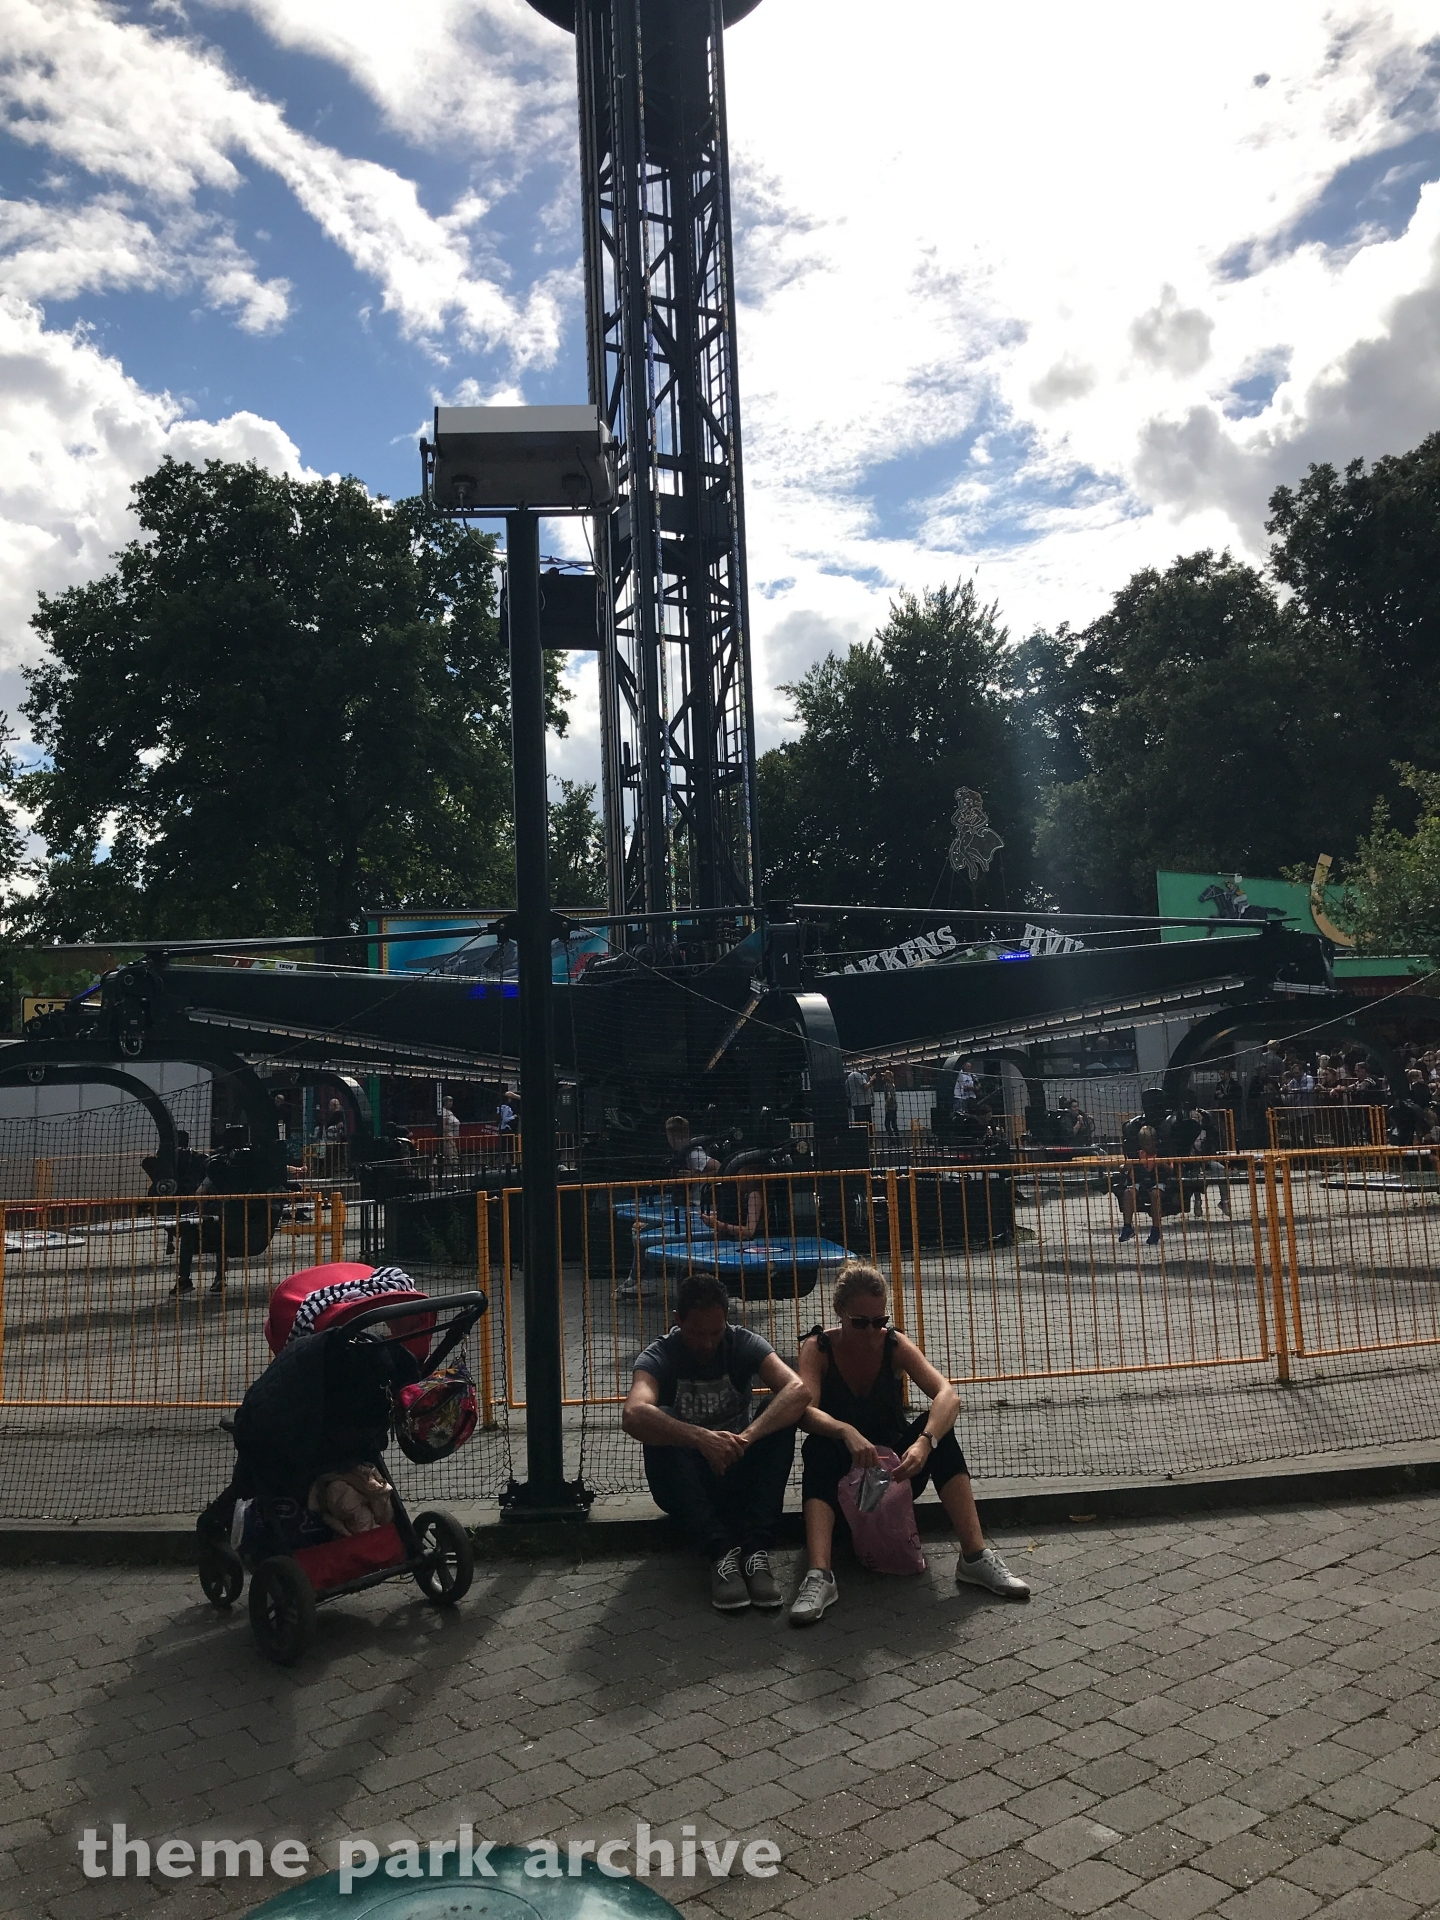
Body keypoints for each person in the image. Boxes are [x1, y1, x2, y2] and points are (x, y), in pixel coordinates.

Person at [789, 1262, 1029, 1624]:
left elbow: (948, 1395)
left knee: (942, 1432)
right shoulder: (818, 1347)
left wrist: (925, 1442)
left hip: (893, 1475)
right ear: (839, 1311)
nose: (872, 1331)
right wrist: (845, 1431)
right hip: (842, 1477)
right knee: (817, 1447)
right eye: (860, 1322)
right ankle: (820, 1574)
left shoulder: (893, 1343)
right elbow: (804, 1411)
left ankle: (975, 1556)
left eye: (879, 1321)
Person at [622, 1274, 810, 1610]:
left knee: (778, 1412)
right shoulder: (659, 1355)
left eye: (716, 1332)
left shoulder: (743, 1342)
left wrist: (746, 1438)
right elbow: (633, 1413)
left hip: (736, 1467)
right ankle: (720, 1553)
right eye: (697, 1333)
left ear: (727, 1321)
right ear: (678, 1321)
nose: (708, 1343)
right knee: (660, 1418)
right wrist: (700, 1439)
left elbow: (798, 1390)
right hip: (685, 1483)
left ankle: (756, 1551)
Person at [1116, 1125, 1181, 1246]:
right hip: (1140, 1182)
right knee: (1128, 1192)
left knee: (1155, 1194)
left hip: (1158, 1182)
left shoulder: (1163, 1152)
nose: (1146, 1147)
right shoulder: (1136, 1154)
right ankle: (1127, 1227)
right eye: (1143, 1144)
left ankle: (1156, 1229)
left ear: (1155, 1141)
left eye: (1149, 1144)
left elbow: (1172, 1170)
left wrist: (1162, 1164)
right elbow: (1123, 1168)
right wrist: (1124, 1167)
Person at [440, 1095, 461, 1170]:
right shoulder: (444, 1111)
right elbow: (444, 1124)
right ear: (445, 1102)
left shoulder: (449, 1111)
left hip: (452, 1134)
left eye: (452, 1101)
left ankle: (435, 1165)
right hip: (448, 1134)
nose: (451, 1103)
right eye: (450, 1101)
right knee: (451, 1151)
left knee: (447, 1151)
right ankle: (454, 1166)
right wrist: (447, 1134)